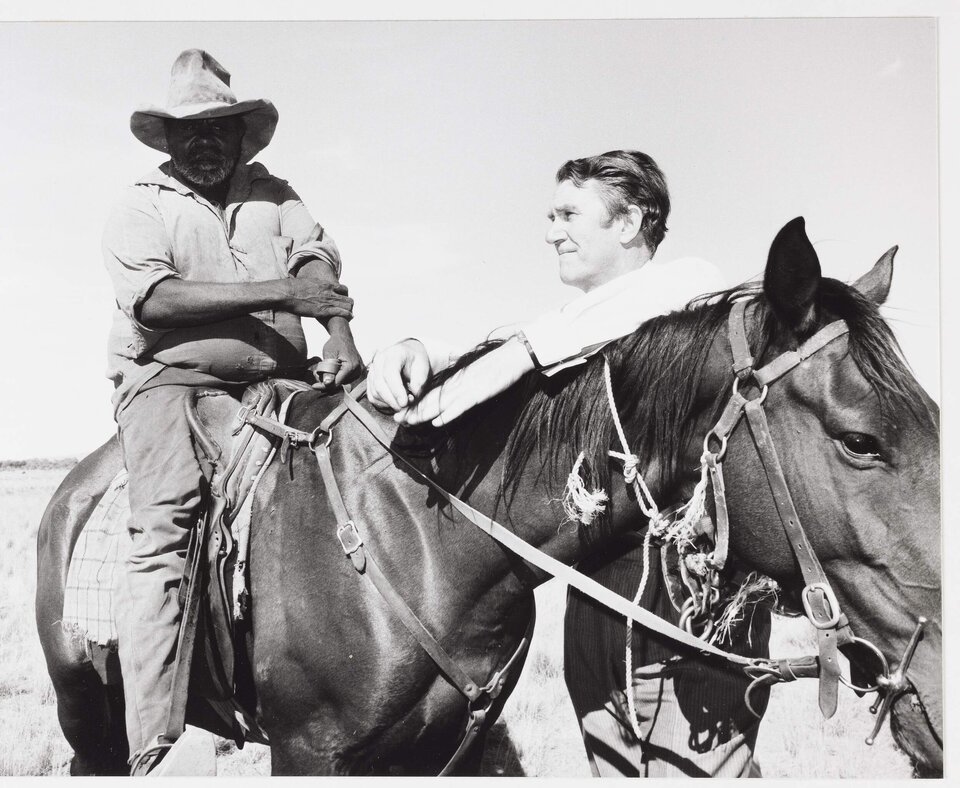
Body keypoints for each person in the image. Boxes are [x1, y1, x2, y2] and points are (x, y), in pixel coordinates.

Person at [366, 150, 767, 777]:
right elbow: (533, 340)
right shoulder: (576, 329)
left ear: (630, 222)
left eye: (569, 214)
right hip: (598, 623)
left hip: (691, 628)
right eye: (550, 215)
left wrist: (521, 353)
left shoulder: (689, 301)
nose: (551, 231)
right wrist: (423, 349)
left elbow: (673, 283)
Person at [103, 49, 362, 772]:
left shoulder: (276, 193)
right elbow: (156, 300)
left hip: (282, 378)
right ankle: (156, 743)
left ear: (242, 133)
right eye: (190, 131)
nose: (206, 142)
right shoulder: (140, 205)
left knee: (365, 482)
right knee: (165, 528)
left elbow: (316, 262)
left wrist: (337, 334)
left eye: (219, 128)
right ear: (168, 140)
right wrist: (281, 293)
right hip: (172, 385)